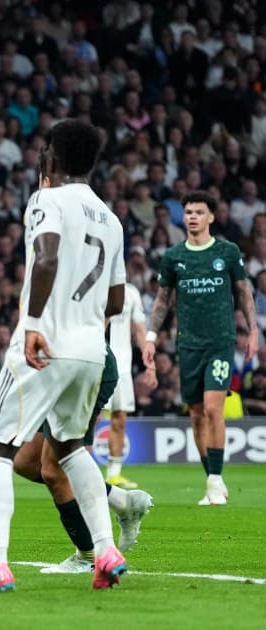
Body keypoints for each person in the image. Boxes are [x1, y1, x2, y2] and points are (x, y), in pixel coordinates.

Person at [0, 120, 128, 593]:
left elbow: (48, 256)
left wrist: (35, 323)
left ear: (51, 158)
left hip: (44, 343)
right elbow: (116, 301)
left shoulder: (46, 200)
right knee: (72, 446)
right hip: (90, 350)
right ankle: (105, 551)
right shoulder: (111, 218)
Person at [143, 191, 259, 506]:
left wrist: (252, 332)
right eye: (189, 212)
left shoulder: (227, 251)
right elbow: (163, 299)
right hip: (188, 345)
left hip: (220, 342)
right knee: (195, 415)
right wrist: (151, 338)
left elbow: (243, 292)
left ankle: (216, 479)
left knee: (212, 408)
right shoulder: (174, 256)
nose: (192, 216)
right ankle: (211, 480)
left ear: (210, 217)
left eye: (198, 212)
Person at [11, 345, 154, 574]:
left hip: (82, 368)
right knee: (25, 462)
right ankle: (122, 501)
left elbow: (108, 311)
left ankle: (88, 555)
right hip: (51, 370)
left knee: (53, 471)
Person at [104, 282, 149, 489]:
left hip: (122, 365)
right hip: (94, 360)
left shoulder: (131, 292)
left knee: (119, 418)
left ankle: (114, 473)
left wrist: (149, 359)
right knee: (90, 419)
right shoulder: (90, 284)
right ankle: (78, 470)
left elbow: (139, 328)